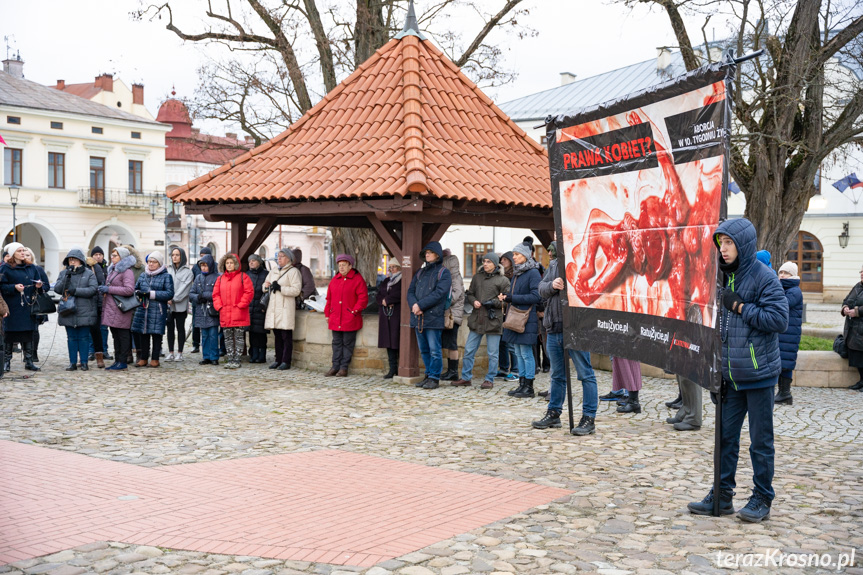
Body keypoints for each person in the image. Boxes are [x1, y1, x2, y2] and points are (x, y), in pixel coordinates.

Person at [688, 218, 788, 523]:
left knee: (761, 441)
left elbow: (779, 319)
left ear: (742, 245)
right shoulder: (718, 277)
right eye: (721, 243)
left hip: (759, 376)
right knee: (725, 439)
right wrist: (713, 374)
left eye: (729, 242)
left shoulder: (764, 277)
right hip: (729, 377)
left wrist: (741, 307)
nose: (724, 248)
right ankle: (722, 495)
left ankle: (762, 497)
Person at [530, 240, 599, 434]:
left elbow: (590, 290)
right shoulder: (553, 265)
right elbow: (541, 289)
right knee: (557, 375)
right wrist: (552, 284)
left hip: (576, 328)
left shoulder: (583, 260)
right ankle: (554, 413)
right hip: (554, 328)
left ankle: (589, 418)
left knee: (585, 374)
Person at [453, 253, 509, 389]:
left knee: (493, 353)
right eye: (484, 261)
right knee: (469, 350)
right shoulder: (477, 277)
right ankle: (466, 378)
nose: (485, 264)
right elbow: (470, 293)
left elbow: (506, 300)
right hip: (477, 318)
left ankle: (490, 379)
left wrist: (492, 303)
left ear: (495, 264)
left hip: (493, 320)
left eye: (488, 261)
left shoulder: (503, 280)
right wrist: (474, 301)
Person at [500, 243, 542, 398]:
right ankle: (522, 384)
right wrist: (506, 297)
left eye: (517, 254)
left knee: (525, 353)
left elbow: (536, 296)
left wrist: (512, 298)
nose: (514, 257)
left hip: (526, 318)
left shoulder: (533, 273)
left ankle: (529, 387)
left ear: (525, 255)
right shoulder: (517, 272)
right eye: (514, 254)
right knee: (518, 352)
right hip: (516, 317)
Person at [408, 242, 451, 389]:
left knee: (434, 349)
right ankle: (428, 375)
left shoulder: (444, 272)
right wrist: (414, 305)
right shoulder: (420, 272)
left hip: (433, 316)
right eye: (425, 253)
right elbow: (410, 292)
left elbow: (439, 294)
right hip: (418, 316)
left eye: (430, 252)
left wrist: (421, 305)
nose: (427, 255)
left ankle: (434, 377)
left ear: (437, 255)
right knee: (424, 349)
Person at [0, 243, 49, 372]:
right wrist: (13, 287)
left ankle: (29, 361)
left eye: (23, 250)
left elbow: (41, 283)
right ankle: (6, 362)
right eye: (19, 251)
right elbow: (2, 286)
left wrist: (38, 286)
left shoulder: (31, 267)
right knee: (9, 335)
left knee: (28, 333)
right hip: (12, 306)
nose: (22, 253)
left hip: (28, 306)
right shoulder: (5, 268)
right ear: (13, 253)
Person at [54, 248, 99, 371]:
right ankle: (72, 363)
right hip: (68, 310)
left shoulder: (88, 273)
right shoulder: (63, 274)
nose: (72, 262)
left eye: (75, 260)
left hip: (84, 310)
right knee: (71, 338)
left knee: (84, 338)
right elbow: (57, 289)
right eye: (70, 260)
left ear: (81, 261)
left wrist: (76, 291)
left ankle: (84, 362)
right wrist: (66, 278)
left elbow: (93, 289)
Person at [324, 254, 368, 376]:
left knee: (348, 344)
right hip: (335, 317)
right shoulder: (335, 280)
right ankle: (335, 366)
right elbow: (329, 298)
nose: (341, 268)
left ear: (350, 266)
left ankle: (344, 368)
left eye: (344, 265)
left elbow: (363, 298)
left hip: (350, 318)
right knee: (336, 343)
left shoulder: (357, 279)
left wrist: (354, 311)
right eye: (339, 265)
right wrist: (328, 313)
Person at [132, 252, 174, 368]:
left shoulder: (166, 276)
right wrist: (138, 293)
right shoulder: (143, 275)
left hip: (158, 309)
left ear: (159, 263)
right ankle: (144, 358)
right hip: (143, 308)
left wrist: (151, 294)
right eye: (149, 261)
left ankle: (155, 359)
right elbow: (136, 289)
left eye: (154, 262)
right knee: (143, 334)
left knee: (156, 335)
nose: (151, 264)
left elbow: (169, 293)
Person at [213, 253, 253, 369]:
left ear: (235, 264)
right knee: (228, 337)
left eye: (231, 263)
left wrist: (241, 304)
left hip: (239, 312)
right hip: (225, 312)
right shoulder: (220, 279)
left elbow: (249, 292)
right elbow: (216, 295)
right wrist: (219, 306)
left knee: (239, 337)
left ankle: (237, 359)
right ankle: (230, 358)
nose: (229, 265)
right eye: (227, 263)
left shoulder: (243, 277)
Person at [264, 248, 302, 370]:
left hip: (285, 308)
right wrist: (266, 286)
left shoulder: (293, 272)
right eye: (278, 256)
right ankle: (278, 359)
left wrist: (281, 288)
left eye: (282, 256)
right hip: (274, 307)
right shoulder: (274, 270)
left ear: (289, 259)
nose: (279, 258)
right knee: (277, 336)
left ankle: (286, 360)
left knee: (286, 336)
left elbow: (296, 290)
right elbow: (265, 286)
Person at [666, 307, 704, 431]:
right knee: (681, 364)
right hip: (682, 311)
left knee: (690, 365)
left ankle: (694, 417)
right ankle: (686, 410)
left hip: (693, 306)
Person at [100, 247, 137, 371]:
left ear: (122, 257)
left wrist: (109, 289)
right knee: (115, 335)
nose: (112, 257)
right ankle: (117, 360)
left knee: (123, 335)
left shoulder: (127, 271)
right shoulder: (113, 270)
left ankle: (123, 361)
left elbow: (129, 289)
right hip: (111, 307)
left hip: (121, 308)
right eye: (112, 255)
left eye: (115, 255)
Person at [776, 261, 803, 405]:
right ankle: (782, 393)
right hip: (784, 332)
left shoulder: (794, 291)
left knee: (786, 362)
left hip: (789, 333)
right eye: (781, 272)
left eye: (786, 273)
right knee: (782, 362)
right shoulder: (785, 288)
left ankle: (785, 393)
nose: (782, 275)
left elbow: (783, 305)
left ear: (792, 275)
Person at [189, 254, 220, 365]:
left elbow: (218, 294)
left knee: (213, 335)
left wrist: (205, 295)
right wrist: (198, 297)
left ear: (210, 265)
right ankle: (206, 356)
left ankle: (214, 357)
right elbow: (191, 293)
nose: (203, 268)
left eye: (206, 265)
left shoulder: (217, 277)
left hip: (212, 311)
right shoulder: (198, 278)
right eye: (202, 266)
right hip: (201, 311)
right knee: (204, 336)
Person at [440, 249, 465, 380]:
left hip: (452, 315)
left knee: (452, 344)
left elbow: (455, 295)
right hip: (450, 314)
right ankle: (451, 371)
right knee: (449, 343)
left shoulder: (454, 277)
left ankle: (453, 372)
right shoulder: (452, 276)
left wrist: (442, 302)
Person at [166, 247, 194, 362]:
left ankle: (180, 352)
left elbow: (185, 289)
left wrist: (173, 298)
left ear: (182, 256)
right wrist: (167, 298)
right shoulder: (168, 270)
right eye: (173, 255)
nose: (175, 257)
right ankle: (171, 352)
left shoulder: (188, 272)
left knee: (180, 328)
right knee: (170, 329)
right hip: (168, 305)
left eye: (177, 255)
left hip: (180, 305)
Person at [495, 250, 519, 383]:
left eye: (505, 259)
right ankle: (504, 368)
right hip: (502, 312)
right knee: (502, 342)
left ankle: (515, 370)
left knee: (511, 343)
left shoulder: (515, 275)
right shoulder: (500, 274)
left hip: (512, 312)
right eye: (501, 259)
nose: (502, 262)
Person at [376, 260, 402, 379]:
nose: (391, 270)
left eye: (394, 267)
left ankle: (400, 368)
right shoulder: (386, 281)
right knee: (388, 343)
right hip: (386, 315)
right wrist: (384, 301)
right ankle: (392, 369)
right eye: (390, 267)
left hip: (397, 315)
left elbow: (400, 294)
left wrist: (389, 300)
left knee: (397, 342)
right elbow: (379, 294)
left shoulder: (402, 280)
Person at [841, 263, 863, 391]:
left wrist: (857, 311)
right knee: (856, 356)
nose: (862, 274)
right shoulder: (857, 286)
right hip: (853, 329)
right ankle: (861, 381)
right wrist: (845, 309)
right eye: (861, 271)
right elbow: (846, 300)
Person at [87, 246, 111, 364]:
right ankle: (92, 351)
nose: (98, 256)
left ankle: (104, 350)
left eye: (100, 254)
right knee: (93, 328)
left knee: (103, 328)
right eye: (95, 254)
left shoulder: (108, 268)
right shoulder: (89, 269)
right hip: (93, 302)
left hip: (105, 301)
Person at [246, 254, 270, 364]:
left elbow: (268, 291)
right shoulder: (247, 274)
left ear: (259, 262)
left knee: (261, 333)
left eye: (254, 261)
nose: (251, 262)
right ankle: (254, 354)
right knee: (252, 333)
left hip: (261, 307)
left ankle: (262, 355)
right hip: (250, 307)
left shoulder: (266, 274)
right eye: (250, 261)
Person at [190, 246, 213, 354]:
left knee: (212, 333)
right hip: (199, 305)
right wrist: (198, 297)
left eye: (205, 256)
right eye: (201, 256)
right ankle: (196, 345)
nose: (203, 258)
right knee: (197, 326)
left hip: (211, 307)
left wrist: (205, 295)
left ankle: (213, 355)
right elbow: (192, 291)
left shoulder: (214, 270)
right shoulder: (195, 268)